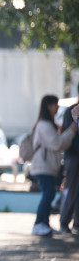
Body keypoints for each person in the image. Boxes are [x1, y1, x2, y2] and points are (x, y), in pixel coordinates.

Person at [29, 95, 77, 236]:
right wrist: (71, 131)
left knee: (49, 195)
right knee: (48, 194)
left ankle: (44, 223)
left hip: (47, 167)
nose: (57, 107)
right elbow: (57, 144)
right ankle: (39, 223)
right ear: (48, 106)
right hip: (43, 167)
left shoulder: (47, 123)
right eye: (55, 104)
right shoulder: (44, 125)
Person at [59, 85, 79, 234]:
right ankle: (64, 221)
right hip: (73, 155)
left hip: (72, 154)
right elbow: (67, 133)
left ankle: (76, 222)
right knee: (71, 188)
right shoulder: (72, 111)